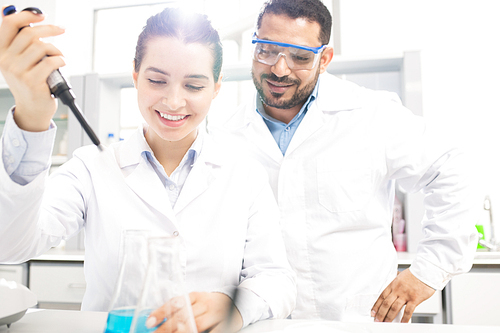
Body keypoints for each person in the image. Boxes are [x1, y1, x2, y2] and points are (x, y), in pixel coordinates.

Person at [0, 6, 296, 332]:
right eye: (157, 80)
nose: (172, 101)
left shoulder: (244, 175)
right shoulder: (91, 167)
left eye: (194, 86)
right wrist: (33, 115)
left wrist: (233, 306)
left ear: (216, 88)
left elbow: (276, 279)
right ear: (135, 75)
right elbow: (12, 244)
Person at [208, 0, 480, 324]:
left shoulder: (370, 114)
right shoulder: (225, 137)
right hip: (266, 326)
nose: (279, 69)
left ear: (324, 59)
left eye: (299, 57)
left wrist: (428, 272)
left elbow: (451, 167)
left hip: (357, 323)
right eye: (266, 50)